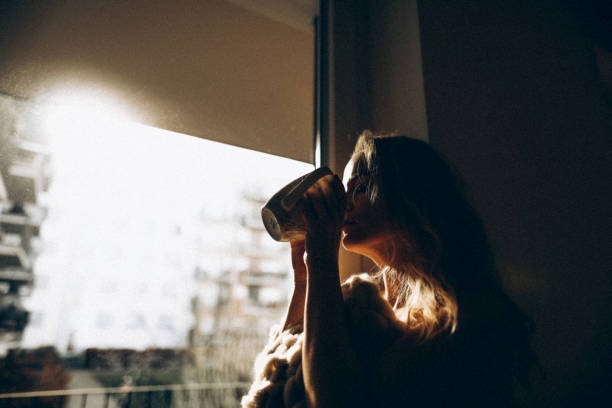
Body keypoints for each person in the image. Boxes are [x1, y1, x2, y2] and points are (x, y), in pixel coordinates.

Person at [242, 132, 537, 407]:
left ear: (411, 195)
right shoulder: (365, 301)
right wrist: (305, 281)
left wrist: (322, 262)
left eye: (359, 187)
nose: (344, 203)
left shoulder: (467, 315)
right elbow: (284, 372)